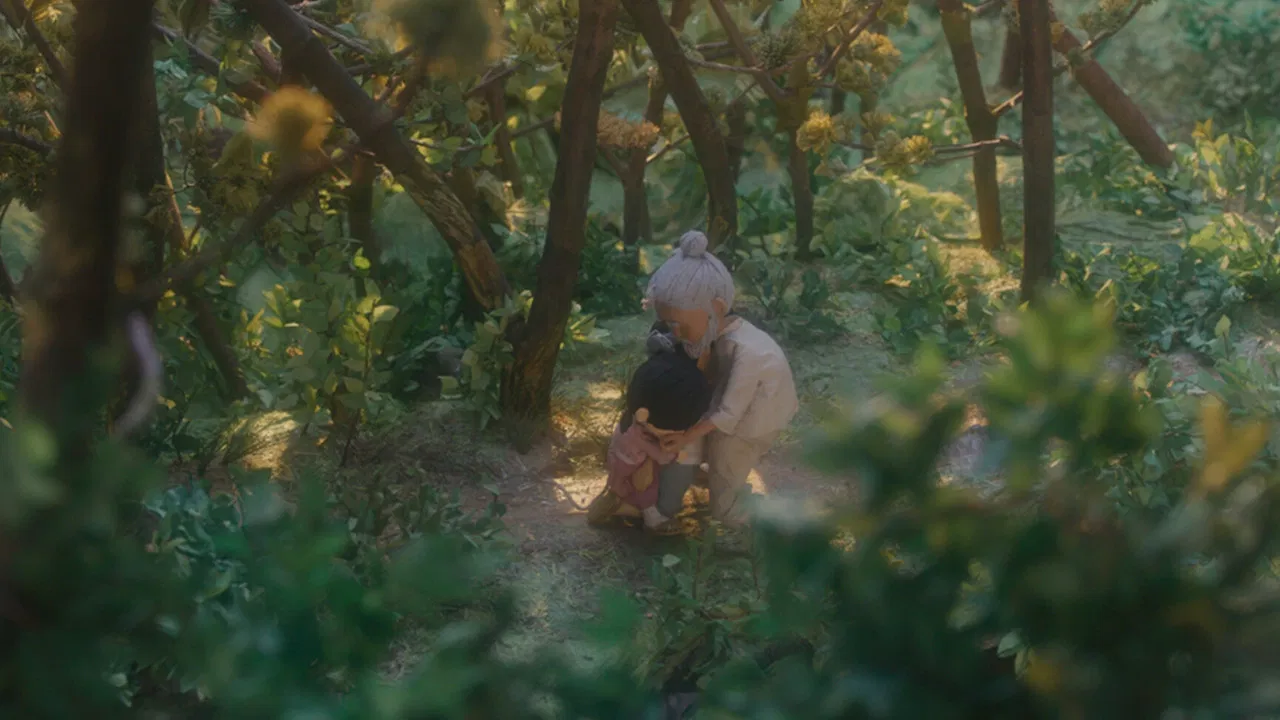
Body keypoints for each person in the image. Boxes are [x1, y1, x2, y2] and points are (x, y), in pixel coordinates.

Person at [644, 230, 799, 526]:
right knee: (713, 448)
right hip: (731, 408)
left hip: (754, 420)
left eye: (679, 324)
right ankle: (716, 475)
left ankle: (755, 513)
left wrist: (686, 438)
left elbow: (729, 412)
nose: (674, 332)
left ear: (715, 308)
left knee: (724, 502)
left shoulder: (747, 353)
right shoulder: (715, 335)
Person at [586, 325, 712, 533]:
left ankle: (618, 498)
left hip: (621, 459)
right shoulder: (646, 428)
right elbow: (662, 457)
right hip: (633, 464)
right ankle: (638, 514)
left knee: (636, 484)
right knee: (649, 495)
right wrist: (670, 451)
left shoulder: (638, 419)